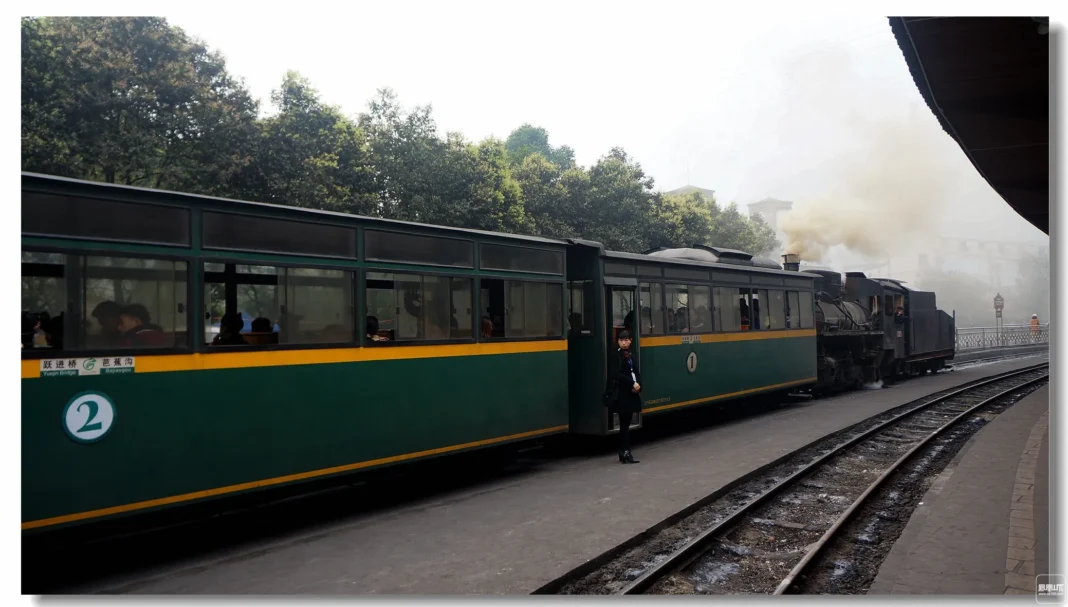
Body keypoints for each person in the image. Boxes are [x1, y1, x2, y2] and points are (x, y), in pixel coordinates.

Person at [606, 329, 642, 464]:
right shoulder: (616, 356)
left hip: (631, 393)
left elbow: (636, 371)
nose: (624, 343)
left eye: (626, 340)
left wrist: (639, 385)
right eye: (621, 340)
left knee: (625, 424)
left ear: (630, 341)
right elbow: (616, 374)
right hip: (622, 394)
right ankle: (625, 452)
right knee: (624, 425)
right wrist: (632, 383)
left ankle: (624, 452)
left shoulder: (631, 356)